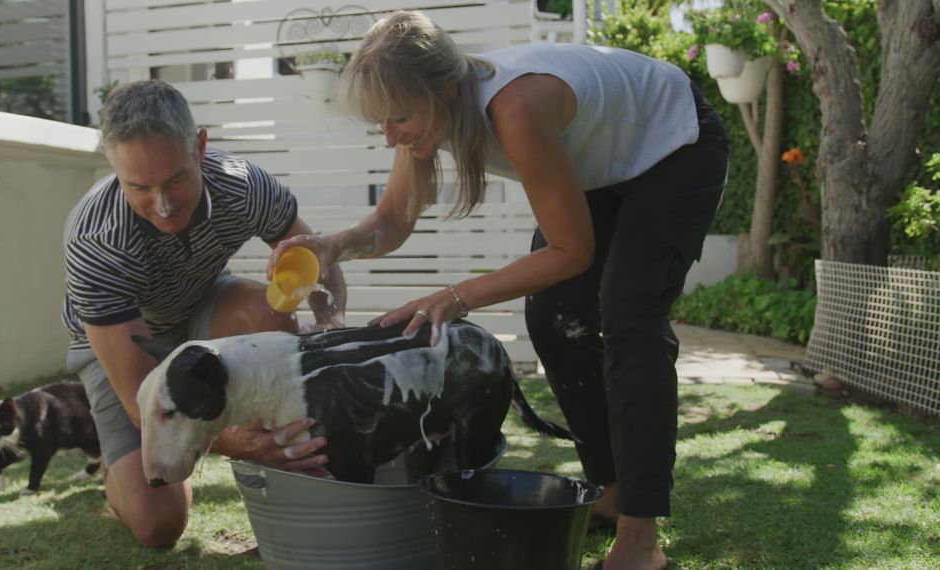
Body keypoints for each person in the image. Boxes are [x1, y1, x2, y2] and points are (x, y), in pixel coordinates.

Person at [270, 11, 728, 570]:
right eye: (380, 123)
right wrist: (333, 245)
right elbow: (393, 220)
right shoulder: (429, 108)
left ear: (441, 89)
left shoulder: (515, 108)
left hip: (675, 145)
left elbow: (570, 251)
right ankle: (608, 488)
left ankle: (640, 537)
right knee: (552, 319)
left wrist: (457, 295)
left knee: (629, 315)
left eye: (398, 118)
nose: (390, 135)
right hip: (604, 169)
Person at [62, 79, 342, 547]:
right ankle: (115, 468)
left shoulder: (242, 184)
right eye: (140, 187)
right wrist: (232, 439)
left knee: (262, 307)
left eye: (174, 179)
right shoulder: (95, 241)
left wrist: (330, 326)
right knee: (158, 526)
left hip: (203, 304)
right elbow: (139, 393)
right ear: (114, 169)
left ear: (200, 146)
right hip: (126, 344)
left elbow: (313, 258)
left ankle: (285, 474)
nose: (164, 205)